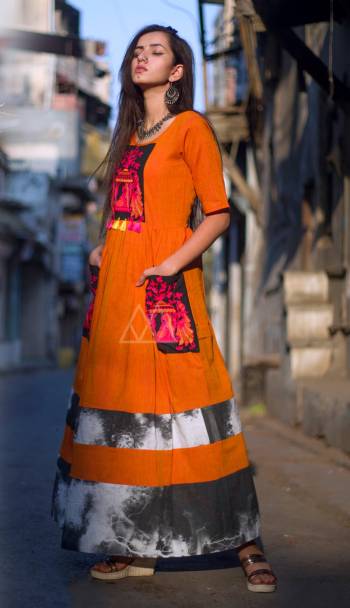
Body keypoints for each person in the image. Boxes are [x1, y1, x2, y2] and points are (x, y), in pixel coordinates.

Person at [51, 24, 277, 594]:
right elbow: (129, 212)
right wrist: (106, 245)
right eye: (137, 50)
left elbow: (219, 213)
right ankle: (135, 541)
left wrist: (171, 264)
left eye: (156, 51)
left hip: (165, 284)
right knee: (124, 408)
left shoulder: (191, 128)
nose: (141, 57)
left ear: (177, 72)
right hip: (120, 286)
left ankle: (246, 542)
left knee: (195, 403)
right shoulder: (129, 136)